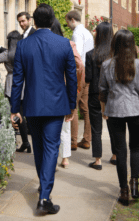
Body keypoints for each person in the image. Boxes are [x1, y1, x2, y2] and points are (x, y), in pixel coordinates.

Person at [10, 4, 77, 214]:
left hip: (32, 104)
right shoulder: (64, 44)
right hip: (57, 105)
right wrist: (72, 105)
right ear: (52, 21)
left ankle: (43, 187)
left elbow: (17, 80)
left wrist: (14, 108)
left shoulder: (24, 45)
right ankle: (45, 197)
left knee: (39, 148)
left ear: (35, 22)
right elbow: (72, 78)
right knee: (50, 149)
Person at [99, 30, 139, 206]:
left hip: (115, 112)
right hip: (136, 111)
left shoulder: (107, 65)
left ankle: (124, 191)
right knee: (135, 148)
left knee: (121, 151)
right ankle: (135, 184)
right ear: (132, 44)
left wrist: (104, 110)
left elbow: (102, 91)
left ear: (114, 44)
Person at [50, 18, 83, 168]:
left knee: (49, 125)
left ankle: (52, 157)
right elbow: (79, 65)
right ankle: (65, 158)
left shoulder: (44, 45)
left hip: (48, 88)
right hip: (63, 87)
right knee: (65, 125)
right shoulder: (68, 44)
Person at [85, 22, 116, 170]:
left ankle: (97, 160)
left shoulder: (90, 54)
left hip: (94, 94)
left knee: (96, 128)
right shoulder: (115, 54)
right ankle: (115, 155)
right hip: (111, 95)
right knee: (113, 126)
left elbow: (88, 78)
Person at [65, 10, 94, 150]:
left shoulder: (77, 33)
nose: (67, 25)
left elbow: (77, 56)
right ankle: (87, 139)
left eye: (67, 22)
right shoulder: (87, 32)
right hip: (88, 72)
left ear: (71, 19)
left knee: (73, 107)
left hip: (79, 72)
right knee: (85, 107)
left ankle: (73, 141)